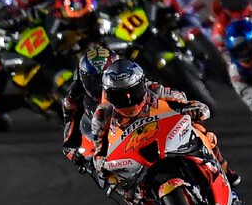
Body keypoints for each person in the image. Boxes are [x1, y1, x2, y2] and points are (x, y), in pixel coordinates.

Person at [90, 60, 236, 184]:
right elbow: (98, 152)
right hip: (134, 153)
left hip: (167, 135)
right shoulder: (102, 115)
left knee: (200, 130)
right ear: (108, 95)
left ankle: (223, 169)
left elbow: (191, 104)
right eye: (118, 96)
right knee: (118, 183)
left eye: (133, 92)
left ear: (142, 84)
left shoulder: (156, 90)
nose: (128, 100)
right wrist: (103, 165)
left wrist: (195, 111)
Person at [59, 44, 113, 165]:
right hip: (98, 129)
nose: (100, 86)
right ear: (83, 80)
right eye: (93, 80)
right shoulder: (73, 97)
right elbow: (69, 123)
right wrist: (72, 152)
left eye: (104, 78)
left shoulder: (127, 78)